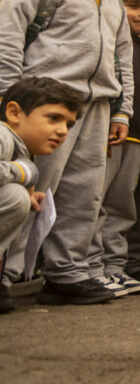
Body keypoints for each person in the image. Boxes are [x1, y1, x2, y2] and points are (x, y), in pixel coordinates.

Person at [0, 0, 134, 305]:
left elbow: (121, 59)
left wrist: (121, 110)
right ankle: (8, 274)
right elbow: (7, 39)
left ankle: (67, 272)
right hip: (41, 109)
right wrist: (10, 100)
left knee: (84, 194)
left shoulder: (113, 1)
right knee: (33, 185)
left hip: (94, 110)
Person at [91, 0, 140, 296]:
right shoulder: (109, 43)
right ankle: (89, 267)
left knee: (123, 206)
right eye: (133, 5)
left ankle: (114, 268)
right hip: (108, 131)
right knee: (95, 201)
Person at [0, 77, 80, 313]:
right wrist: (24, 172)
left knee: (19, 198)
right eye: (54, 118)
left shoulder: (20, 147)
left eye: (69, 125)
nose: (62, 131)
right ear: (14, 112)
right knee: (16, 196)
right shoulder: (4, 136)